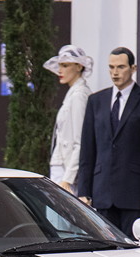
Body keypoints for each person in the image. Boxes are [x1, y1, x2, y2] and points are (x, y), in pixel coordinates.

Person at [76, 46, 140, 238]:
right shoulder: (96, 101)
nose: (115, 73)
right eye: (111, 68)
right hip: (102, 192)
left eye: (120, 67)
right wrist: (84, 190)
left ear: (133, 68)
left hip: (135, 192)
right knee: (105, 248)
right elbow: (88, 149)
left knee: (133, 250)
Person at [43, 45, 93, 194]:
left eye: (65, 65)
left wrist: (68, 178)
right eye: (59, 66)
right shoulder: (74, 94)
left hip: (66, 170)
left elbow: (80, 141)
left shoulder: (79, 95)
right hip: (62, 166)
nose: (60, 70)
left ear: (79, 67)